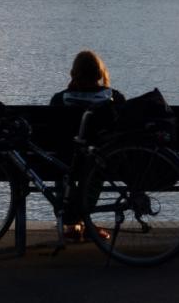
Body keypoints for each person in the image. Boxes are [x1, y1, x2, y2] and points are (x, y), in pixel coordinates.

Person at [50, 50, 125, 242]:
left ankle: (72, 221)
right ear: (99, 74)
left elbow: (52, 138)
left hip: (65, 162)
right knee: (97, 163)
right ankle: (83, 220)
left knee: (61, 162)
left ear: (74, 73)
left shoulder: (59, 100)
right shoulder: (114, 99)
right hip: (102, 164)